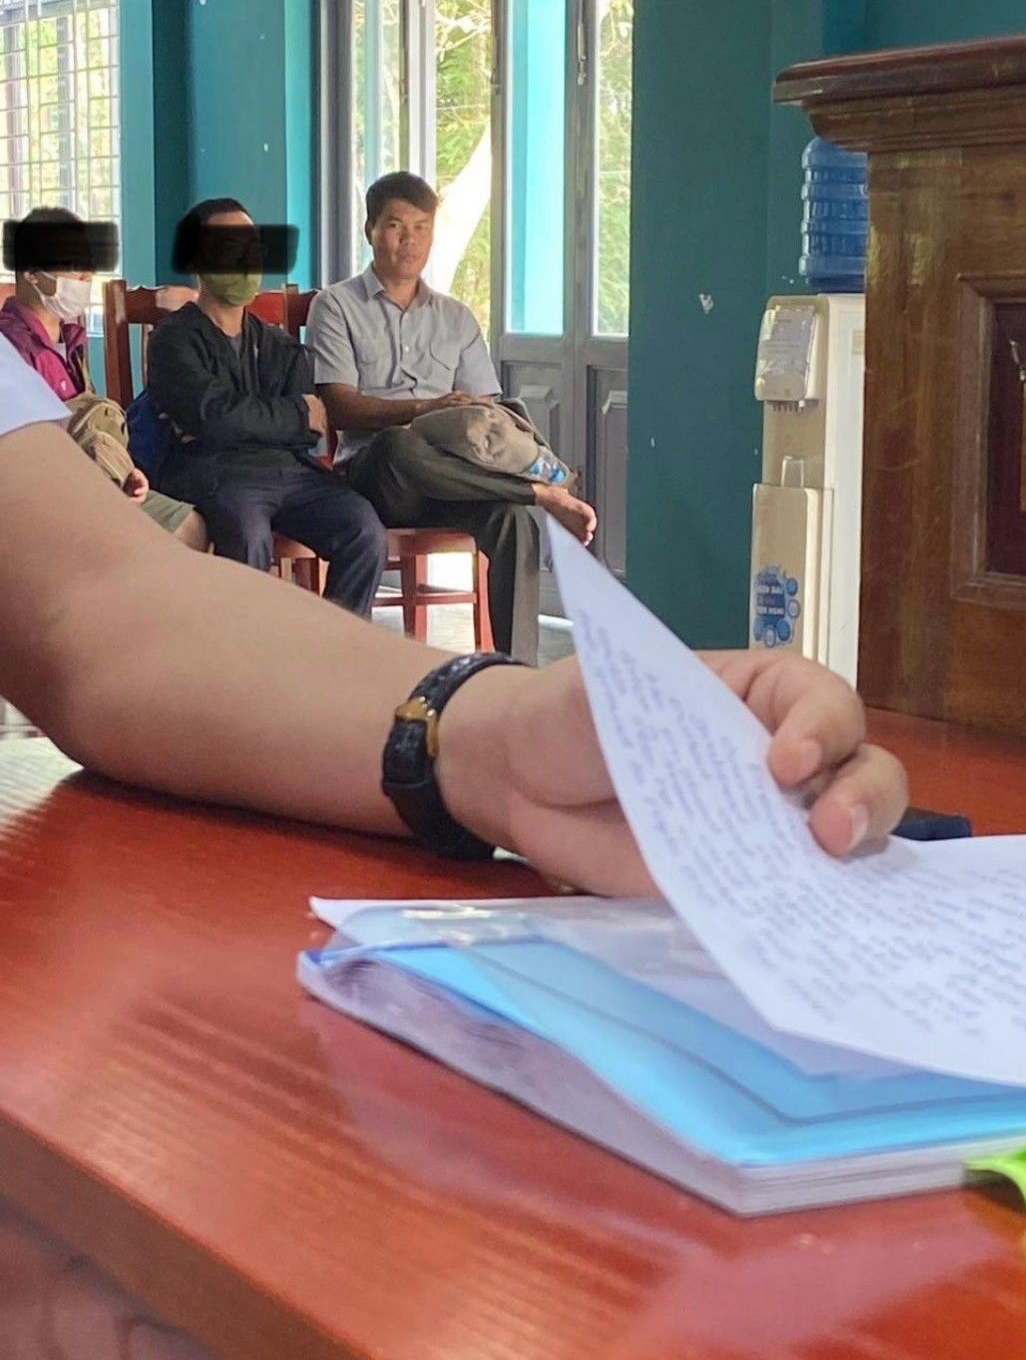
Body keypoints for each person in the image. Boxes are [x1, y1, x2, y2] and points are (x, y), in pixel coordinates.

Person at [0, 337, 909, 896]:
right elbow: (310, 414)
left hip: (321, 476)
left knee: (438, 510)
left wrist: (490, 731)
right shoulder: (232, 334)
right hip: (331, 463)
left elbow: (97, 605)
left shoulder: (438, 321)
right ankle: (540, 494)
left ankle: (534, 504)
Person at [307, 172, 596, 664]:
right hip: (379, 478)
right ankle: (541, 493)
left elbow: (487, 420)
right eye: (397, 226)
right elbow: (340, 406)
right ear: (370, 230)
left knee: (512, 522)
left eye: (422, 227)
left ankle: (516, 672)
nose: (410, 239)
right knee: (401, 445)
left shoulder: (456, 317)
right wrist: (425, 408)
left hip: (456, 482)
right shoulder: (335, 306)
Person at [146, 197, 387, 617]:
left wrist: (270, 418)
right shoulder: (174, 340)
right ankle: (251, 661)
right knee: (246, 532)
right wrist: (291, 413)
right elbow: (212, 418)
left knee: (363, 528)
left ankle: (337, 651)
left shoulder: (278, 345)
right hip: (215, 473)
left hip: (290, 472)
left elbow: (310, 428)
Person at [1, 205, 207, 551]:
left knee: (191, 525)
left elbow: (90, 427)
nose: (86, 275)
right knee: (177, 535)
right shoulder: (10, 347)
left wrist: (124, 470)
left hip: (96, 479)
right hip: (50, 497)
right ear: (33, 273)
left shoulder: (69, 337)